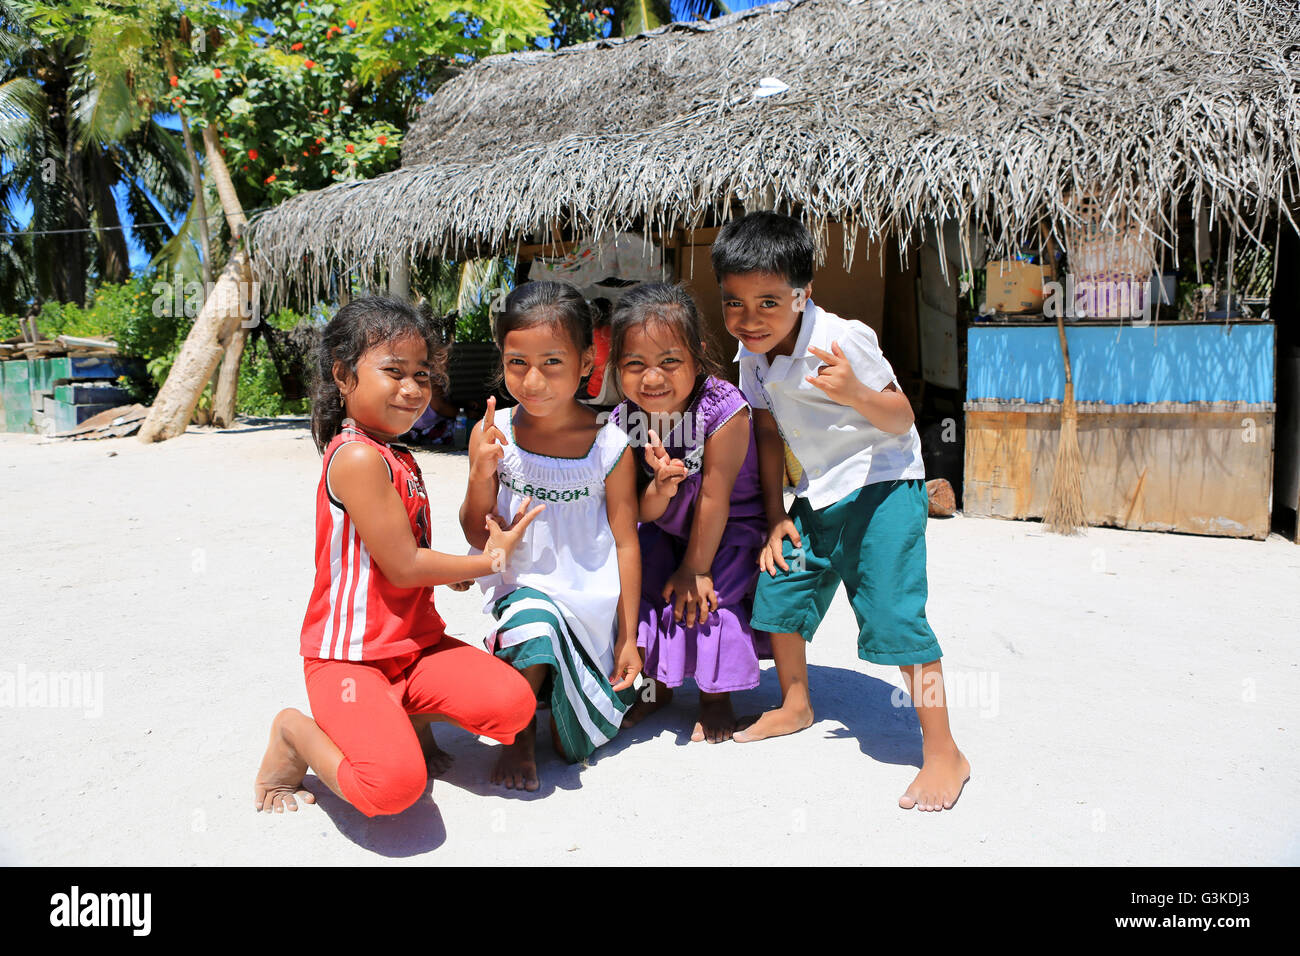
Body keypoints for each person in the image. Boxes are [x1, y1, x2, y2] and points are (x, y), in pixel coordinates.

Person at [713, 211, 971, 811]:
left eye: (768, 302)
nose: (749, 320)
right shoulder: (751, 352)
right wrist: (778, 511)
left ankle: (944, 750)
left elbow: (902, 417)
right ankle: (796, 703)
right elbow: (768, 428)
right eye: (734, 303)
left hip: (883, 481)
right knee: (779, 588)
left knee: (891, 612)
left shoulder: (843, 338)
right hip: (820, 488)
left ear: (805, 294)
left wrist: (854, 391)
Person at [254, 295, 543, 817]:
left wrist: (447, 571)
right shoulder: (359, 456)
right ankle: (293, 735)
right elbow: (405, 565)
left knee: (514, 707)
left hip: (413, 649)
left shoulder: (396, 451)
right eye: (393, 372)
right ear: (343, 376)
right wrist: (488, 561)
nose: (411, 389)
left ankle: (406, 715)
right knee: (391, 790)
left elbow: (408, 552)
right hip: (350, 660)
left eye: (423, 375)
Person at [460, 281, 642, 792]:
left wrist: (628, 638)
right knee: (535, 622)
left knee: (575, 741)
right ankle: (517, 736)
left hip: (589, 600)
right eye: (517, 362)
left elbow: (626, 542)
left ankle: (555, 692)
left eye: (552, 363)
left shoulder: (609, 447)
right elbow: (477, 531)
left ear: (587, 362)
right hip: (520, 589)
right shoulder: (496, 436)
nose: (532, 380)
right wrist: (479, 474)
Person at [607, 282, 769, 743]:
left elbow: (717, 496)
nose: (652, 379)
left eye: (669, 362)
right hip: (665, 525)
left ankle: (715, 695)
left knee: (704, 597)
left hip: (729, 529)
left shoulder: (723, 409)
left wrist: (695, 567)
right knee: (642, 580)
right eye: (635, 365)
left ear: (697, 357)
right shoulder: (625, 421)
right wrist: (660, 487)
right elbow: (641, 507)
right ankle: (655, 687)